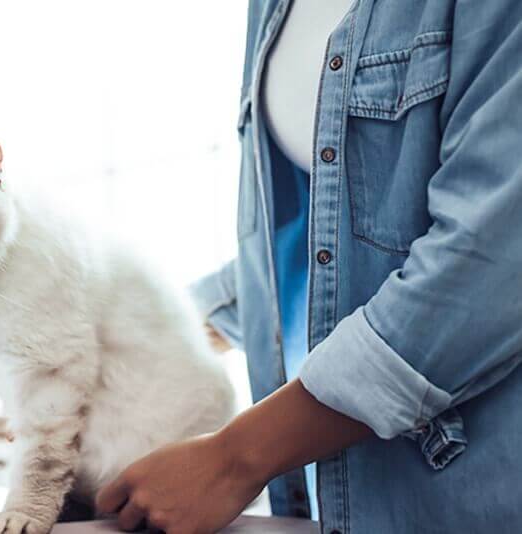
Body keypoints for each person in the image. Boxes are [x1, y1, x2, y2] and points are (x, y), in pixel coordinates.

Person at [96, 0, 522, 532]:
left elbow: (488, 268)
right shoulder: (270, 10)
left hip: (474, 497)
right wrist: (95, 342)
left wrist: (235, 458)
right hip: (329, 504)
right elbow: (301, 252)